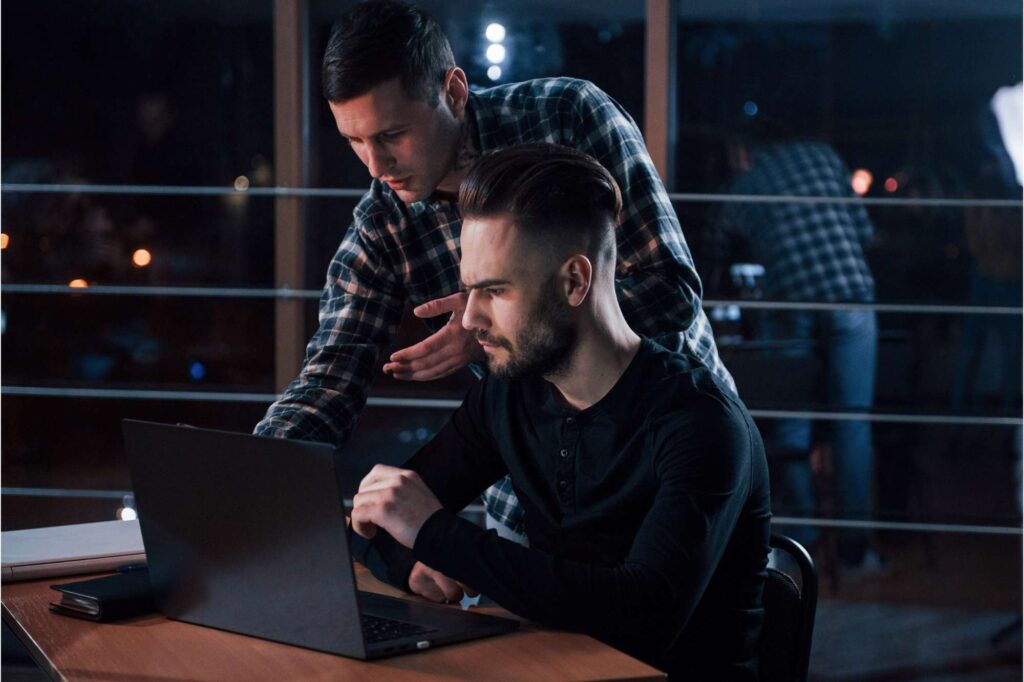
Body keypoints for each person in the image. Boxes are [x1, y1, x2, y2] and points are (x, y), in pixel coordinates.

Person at [254, 0, 734, 594]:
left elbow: (671, 294)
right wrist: (250, 489)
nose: (376, 166)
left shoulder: (568, 114)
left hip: (664, 450)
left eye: (393, 135)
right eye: (354, 141)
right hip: (534, 477)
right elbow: (327, 381)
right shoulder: (384, 224)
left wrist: (499, 326)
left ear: (454, 91)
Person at [350, 143, 770, 680]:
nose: (470, 319)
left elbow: (640, 615)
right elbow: (379, 522)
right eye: (468, 290)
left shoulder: (701, 424)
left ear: (575, 281)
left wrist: (432, 535)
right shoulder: (509, 393)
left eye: (495, 291)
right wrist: (413, 561)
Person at [719, 140, 877, 569]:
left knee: (791, 422)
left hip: (791, 302)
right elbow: (864, 232)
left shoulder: (745, 184)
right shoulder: (825, 156)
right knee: (852, 422)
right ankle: (853, 550)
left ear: (742, 153)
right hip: (851, 293)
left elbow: (724, 246)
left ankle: (803, 538)